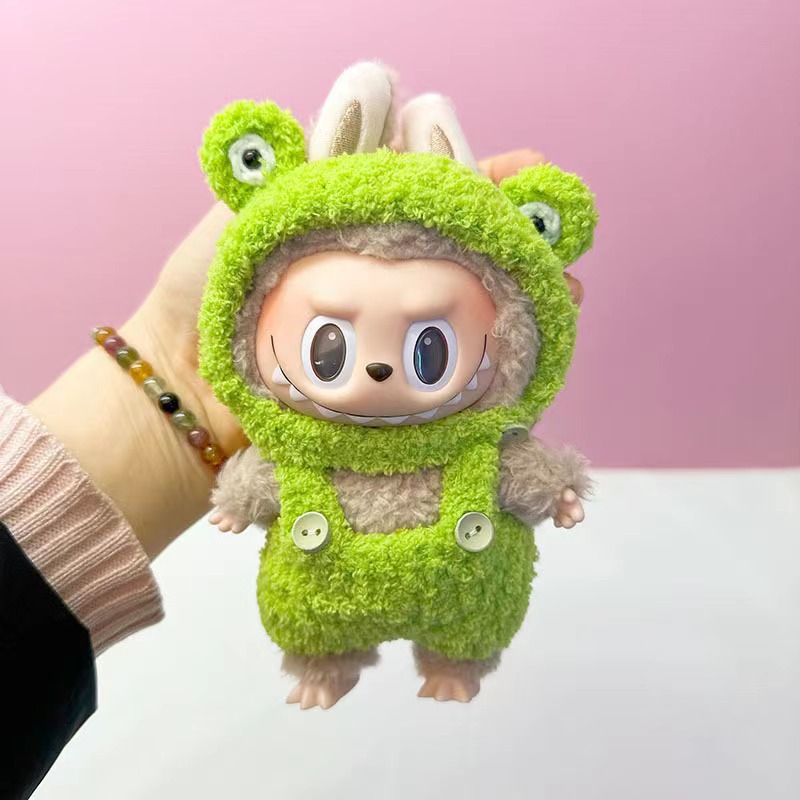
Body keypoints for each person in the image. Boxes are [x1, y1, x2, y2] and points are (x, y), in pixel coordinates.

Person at [0, 149, 584, 799]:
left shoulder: (482, 447)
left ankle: (456, 663)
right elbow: (256, 484)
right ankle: (325, 665)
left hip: (465, 592)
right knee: (314, 631)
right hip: (319, 591)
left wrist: (555, 489)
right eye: (331, 347)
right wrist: (235, 497)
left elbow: (528, 474)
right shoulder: (295, 453)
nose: (377, 372)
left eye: (429, 346)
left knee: (469, 629)